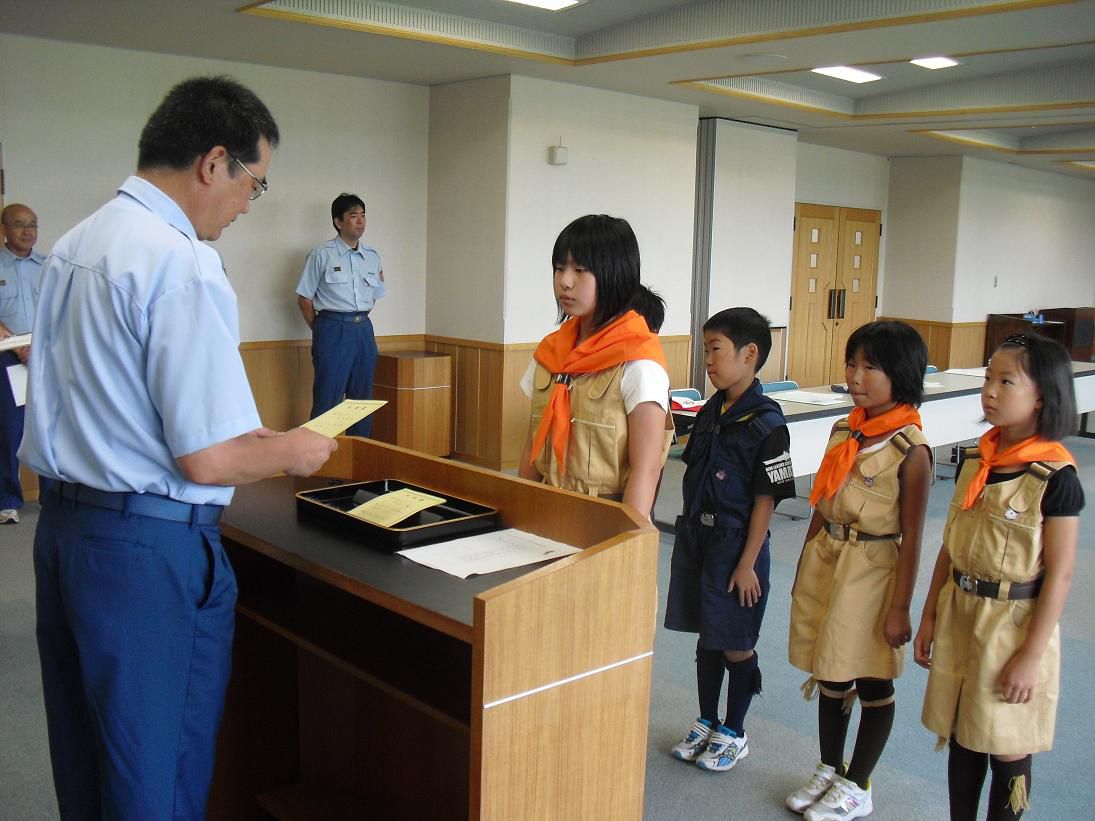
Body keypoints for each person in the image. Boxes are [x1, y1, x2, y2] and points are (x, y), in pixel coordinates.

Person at [20, 76, 338, 820]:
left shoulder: (77, 242)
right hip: (143, 552)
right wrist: (293, 449)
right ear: (213, 162)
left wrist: (238, 438)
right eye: (253, 185)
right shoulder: (179, 260)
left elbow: (119, 405)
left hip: (67, 532)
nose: (245, 205)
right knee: (153, 779)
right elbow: (208, 460)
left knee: (89, 760)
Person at [914, 333, 1082, 821]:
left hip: (1014, 628)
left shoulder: (1055, 477)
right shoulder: (977, 462)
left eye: (1006, 381)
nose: (990, 390)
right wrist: (929, 617)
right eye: (988, 377)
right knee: (964, 732)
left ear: (1043, 396)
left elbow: (1062, 574)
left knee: (1006, 741)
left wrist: (1030, 657)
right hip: (962, 612)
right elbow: (950, 545)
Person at [786, 320, 932, 821]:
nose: (857, 375)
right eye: (853, 363)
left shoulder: (912, 451)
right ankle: (830, 765)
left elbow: (912, 537)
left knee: (869, 676)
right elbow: (822, 502)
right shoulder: (845, 428)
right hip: (830, 557)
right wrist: (806, 561)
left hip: (872, 569)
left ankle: (858, 782)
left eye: (872, 367)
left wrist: (900, 607)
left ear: (902, 375)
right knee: (830, 667)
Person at [664, 307, 796, 773]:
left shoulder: (767, 422)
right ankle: (706, 719)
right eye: (705, 350)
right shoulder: (712, 411)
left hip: (738, 546)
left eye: (715, 350)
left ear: (750, 353)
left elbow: (768, 499)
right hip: (699, 539)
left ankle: (735, 731)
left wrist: (747, 562)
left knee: (735, 640)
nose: (708, 361)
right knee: (707, 634)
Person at [517, 214, 671, 520]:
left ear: (615, 274)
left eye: (580, 270)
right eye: (560, 268)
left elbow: (647, 469)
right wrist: (518, 512)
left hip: (603, 517)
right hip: (547, 508)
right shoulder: (550, 353)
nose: (565, 281)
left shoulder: (639, 363)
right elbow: (532, 448)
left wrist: (625, 544)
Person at [296, 193, 386, 437]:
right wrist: (323, 328)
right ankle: (324, 465)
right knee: (328, 396)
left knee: (362, 399)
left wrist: (358, 316)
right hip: (333, 328)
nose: (360, 221)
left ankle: (358, 464)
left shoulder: (372, 255)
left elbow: (375, 294)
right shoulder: (322, 254)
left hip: (363, 329)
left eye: (363, 215)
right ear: (338, 222)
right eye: (353, 215)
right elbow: (304, 298)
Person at [0, 203, 44, 524]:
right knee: (9, 431)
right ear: (4, 229)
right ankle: (8, 500)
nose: (28, 231)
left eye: (32, 224)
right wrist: (16, 346)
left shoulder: (49, 265)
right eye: (19, 225)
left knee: (50, 429)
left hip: (47, 356)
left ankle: (54, 497)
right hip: (7, 358)